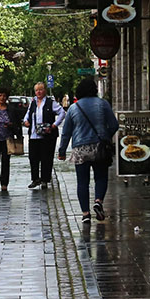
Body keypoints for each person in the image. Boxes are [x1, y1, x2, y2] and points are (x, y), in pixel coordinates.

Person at [58, 78, 120, 223]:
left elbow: (66, 132)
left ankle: (85, 214)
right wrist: (105, 136)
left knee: (82, 182)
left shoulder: (73, 108)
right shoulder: (103, 104)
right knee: (101, 177)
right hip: (99, 147)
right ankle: (98, 200)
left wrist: (62, 151)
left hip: (80, 149)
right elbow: (114, 125)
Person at [24, 81, 66, 189]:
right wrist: (26, 121)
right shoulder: (33, 102)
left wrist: (54, 125)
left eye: (41, 89)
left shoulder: (50, 102)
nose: (39, 92)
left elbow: (62, 113)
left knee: (46, 158)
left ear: (45, 91)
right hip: (34, 134)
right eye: (37, 90)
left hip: (47, 135)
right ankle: (35, 179)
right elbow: (27, 114)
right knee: (33, 157)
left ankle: (45, 179)